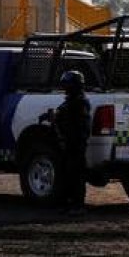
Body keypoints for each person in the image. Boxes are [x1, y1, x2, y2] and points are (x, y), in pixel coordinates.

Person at [52, 70, 91, 214]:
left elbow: (80, 126)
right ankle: (69, 203)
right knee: (67, 174)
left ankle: (78, 205)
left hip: (76, 144)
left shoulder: (79, 102)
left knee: (76, 175)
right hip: (69, 143)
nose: (65, 88)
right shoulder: (72, 102)